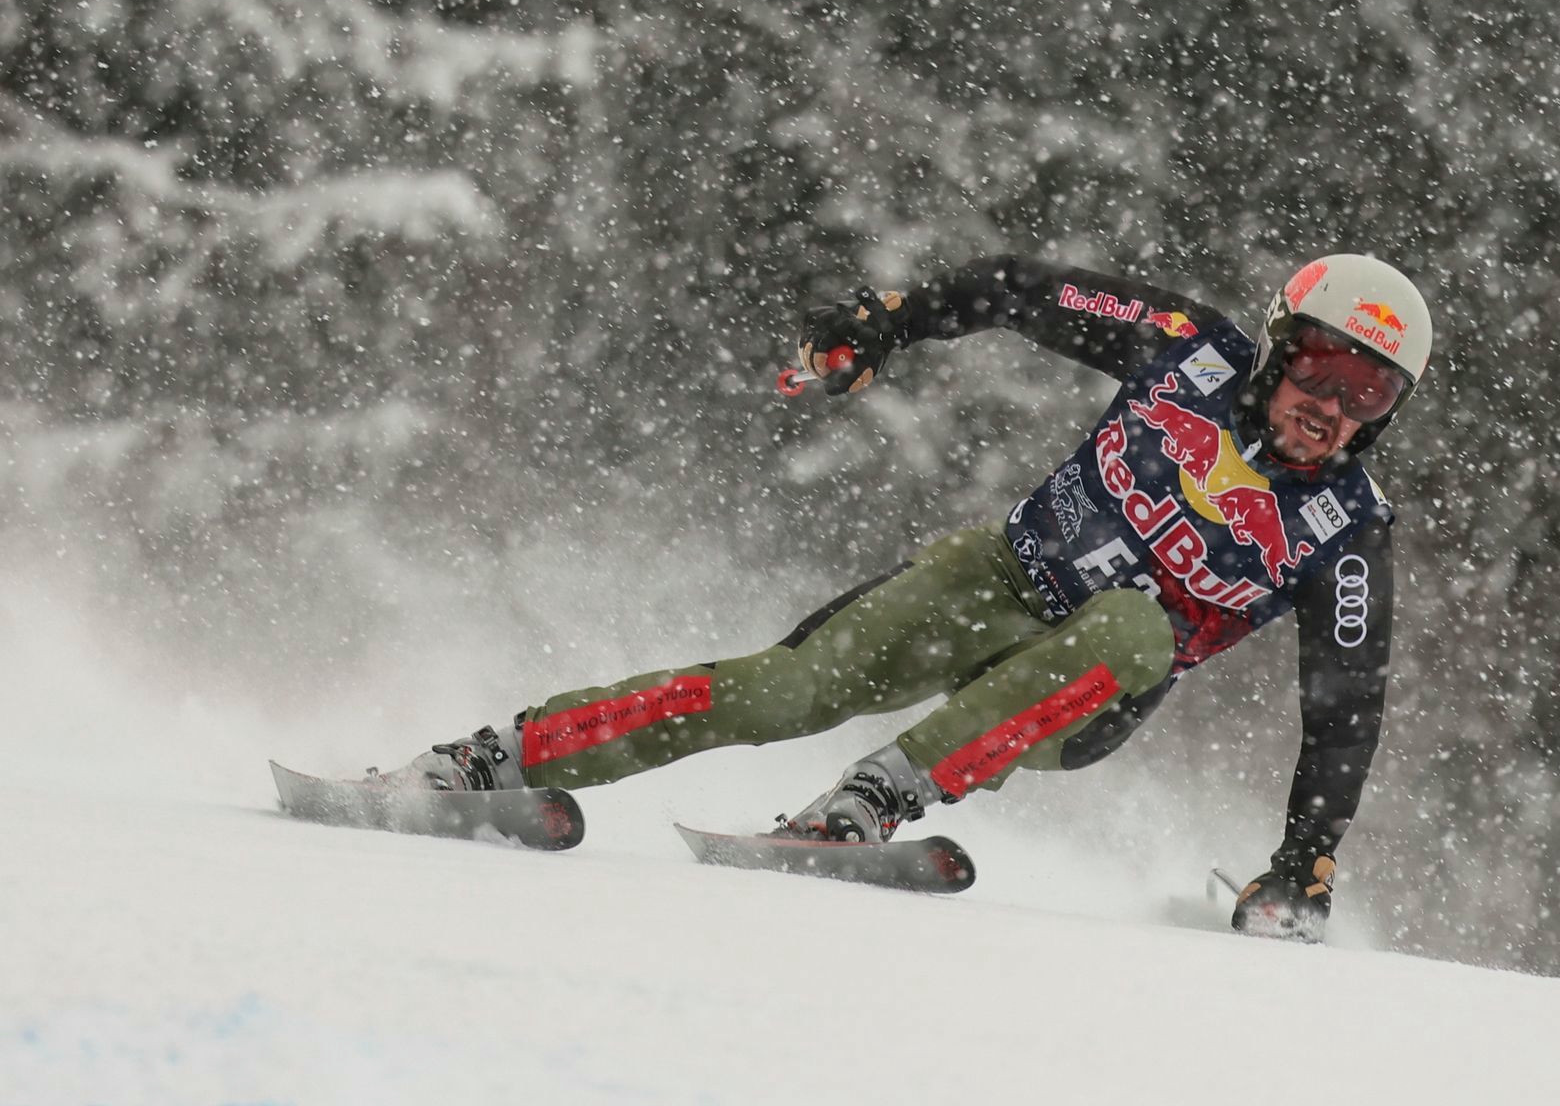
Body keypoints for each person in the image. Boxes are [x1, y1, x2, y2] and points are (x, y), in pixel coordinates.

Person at [385, 252, 1432, 943]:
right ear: (1279, 342)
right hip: (997, 579)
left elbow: (1344, 712)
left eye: (1367, 393)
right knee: (783, 692)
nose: (1330, 407)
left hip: (1091, 687)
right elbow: (1025, 291)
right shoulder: (1188, 348)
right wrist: (888, 322)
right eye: (1322, 367)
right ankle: (493, 757)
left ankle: (869, 802)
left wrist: (1303, 862)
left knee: (1133, 622)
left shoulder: (1346, 531)